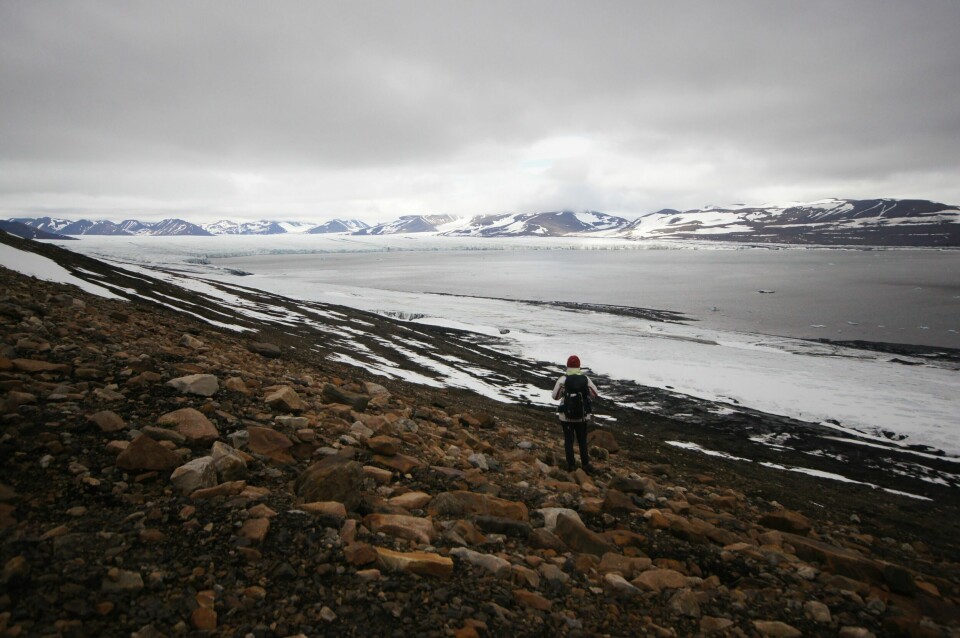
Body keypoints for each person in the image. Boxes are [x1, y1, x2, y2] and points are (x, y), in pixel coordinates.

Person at [552, 355, 600, 473]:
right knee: (582, 440)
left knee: (569, 441)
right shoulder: (585, 379)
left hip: (566, 416)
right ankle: (585, 464)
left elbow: (555, 396)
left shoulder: (563, 379)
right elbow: (595, 393)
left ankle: (571, 465)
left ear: (567, 365)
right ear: (579, 366)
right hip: (582, 416)